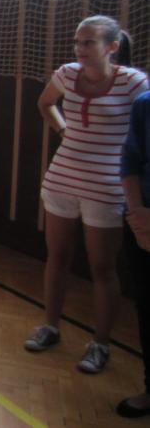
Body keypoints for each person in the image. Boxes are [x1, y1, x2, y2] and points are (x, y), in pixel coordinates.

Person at [25, 15, 148, 373]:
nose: (80, 48)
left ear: (112, 46)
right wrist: (65, 131)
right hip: (63, 177)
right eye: (78, 42)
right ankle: (50, 326)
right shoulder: (67, 74)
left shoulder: (134, 83)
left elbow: (142, 133)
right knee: (57, 257)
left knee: (102, 267)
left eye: (89, 42)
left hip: (107, 185)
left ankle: (100, 344)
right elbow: (45, 103)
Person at [117, 89, 150, 418]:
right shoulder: (145, 103)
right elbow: (129, 162)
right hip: (143, 223)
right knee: (147, 305)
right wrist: (139, 215)